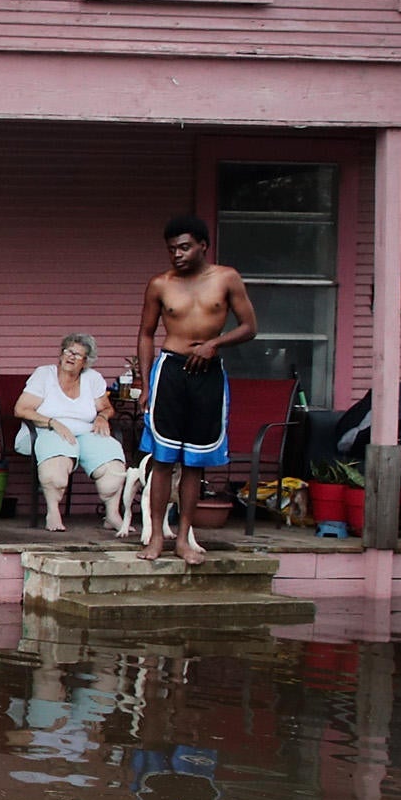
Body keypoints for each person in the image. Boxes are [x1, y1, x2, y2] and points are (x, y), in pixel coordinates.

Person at [132, 214, 258, 564]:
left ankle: (184, 538)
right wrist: (144, 383)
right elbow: (146, 333)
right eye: (172, 249)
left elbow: (249, 327)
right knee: (162, 459)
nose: (178, 254)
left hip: (208, 374)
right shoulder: (160, 284)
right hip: (170, 371)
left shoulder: (226, 278)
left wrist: (215, 343)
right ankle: (156, 536)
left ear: (203, 245)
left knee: (194, 462)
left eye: (185, 247)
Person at [12, 332, 129, 534]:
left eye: (77, 354)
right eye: (68, 351)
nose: (70, 356)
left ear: (86, 362)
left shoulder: (92, 379)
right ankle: (53, 512)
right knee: (56, 469)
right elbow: (20, 409)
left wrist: (102, 417)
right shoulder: (44, 375)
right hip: (45, 430)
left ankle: (112, 514)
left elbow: (106, 408)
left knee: (112, 463)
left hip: (85, 432)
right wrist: (52, 423)